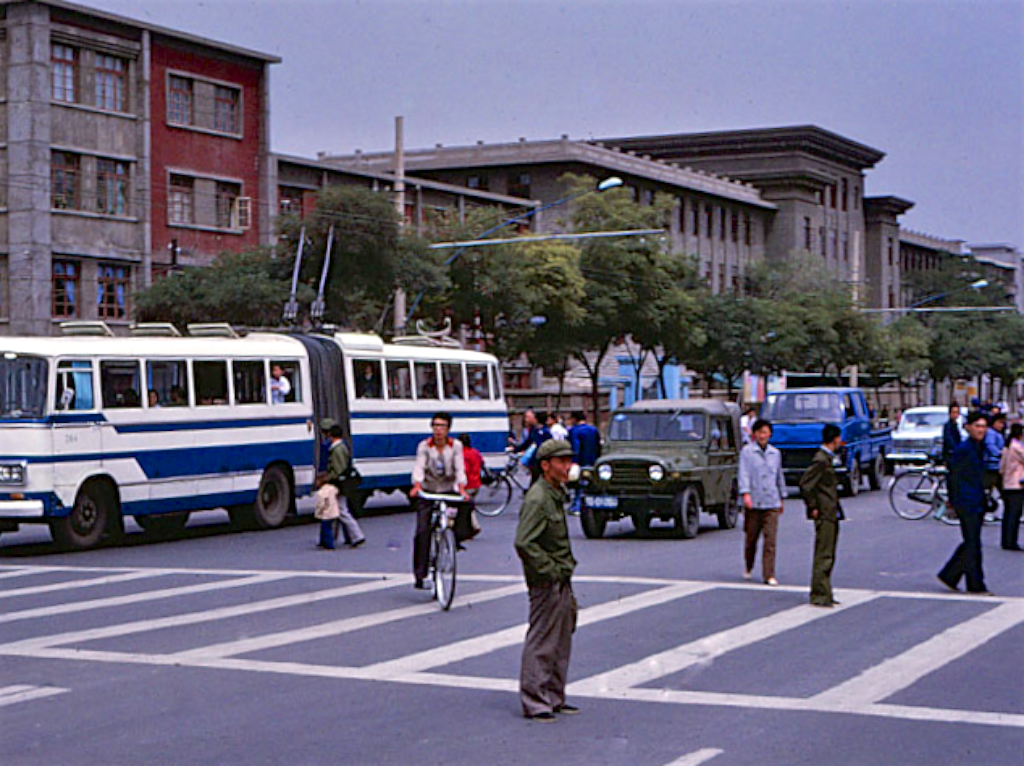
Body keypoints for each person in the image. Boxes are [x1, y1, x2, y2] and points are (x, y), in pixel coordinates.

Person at [514, 439, 579, 722]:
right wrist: (549, 570)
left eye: (568, 461)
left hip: (560, 576)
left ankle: (554, 696)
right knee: (542, 640)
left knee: (561, 638)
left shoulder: (554, 493)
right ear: (545, 465)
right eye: (561, 462)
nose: (567, 467)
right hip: (547, 580)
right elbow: (524, 542)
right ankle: (536, 700)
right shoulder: (538, 498)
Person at [410, 412, 468, 589]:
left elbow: (459, 468)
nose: (438, 430)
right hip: (429, 490)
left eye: (442, 426)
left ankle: (455, 538)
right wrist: (417, 485)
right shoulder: (425, 446)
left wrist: (461, 487)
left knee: (466, 507)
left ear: (448, 429)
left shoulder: (456, 446)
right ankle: (421, 575)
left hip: (449, 489)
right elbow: (419, 465)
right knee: (422, 531)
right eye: (435, 425)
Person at [938, 411, 992, 594]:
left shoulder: (979, 447)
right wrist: (953, 500)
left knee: (971, 542)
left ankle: (950, 574)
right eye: (977, 426)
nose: (981, 430)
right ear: (968, 427)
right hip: (966, 501)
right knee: (973, 544)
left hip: (976, 500)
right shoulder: (964, 449)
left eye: (984, 427)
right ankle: (975, 584)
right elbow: (953, 476)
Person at [799, 424, 845, 608]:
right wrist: (813, 506)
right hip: (824, 512)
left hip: (831, 511)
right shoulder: (821, 460)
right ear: (834, 439)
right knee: (823, 554)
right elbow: (806, 484)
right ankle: (819, 593)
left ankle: (825, 590)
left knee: (829, 553)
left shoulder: (828, 458)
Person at [738, 419, 786, 586]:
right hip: (754, 500)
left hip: (771, 500)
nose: (762, 436)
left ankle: (769, 574)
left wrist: (782, 497)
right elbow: (743, 473)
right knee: (751, 538)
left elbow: (779, 476)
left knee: (770, 540)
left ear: (770, 434)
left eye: (765, 432)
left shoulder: (775, 453)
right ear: (754, 434)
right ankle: (748, 565)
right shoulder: (747, 452)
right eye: (759, 432)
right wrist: (745, 494)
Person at [323, 424, 366, 548]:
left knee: (342, 510)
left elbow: (338, 469)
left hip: (339, 484)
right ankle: (351, 536)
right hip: (343, 483)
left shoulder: (337, 449)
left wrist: (327, 478)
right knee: (341, 509)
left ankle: (357, 536)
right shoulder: (342, 447)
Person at [998, 422, 1024, 551]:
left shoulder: (1006, 447)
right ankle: (1011, 541)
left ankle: (1006, 540)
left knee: (1008, 513)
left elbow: (1001, 468)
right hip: (1017, 484)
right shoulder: (1017, 447)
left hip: (1007, 482)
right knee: (1015, 513)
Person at [512, 409, 553, 483]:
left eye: (527, 417)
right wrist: (516, 449)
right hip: (535, 462)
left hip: (540, 461)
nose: (526, 420)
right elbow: (528, 443)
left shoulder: (543, 432)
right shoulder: (535, 430)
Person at [459, 433, 484, 540]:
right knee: (469, 505)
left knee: (465, 507)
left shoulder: (462, 454)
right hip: (476, 483)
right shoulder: (475, 452)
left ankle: (473, 526)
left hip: (467, 484)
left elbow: (464, 469)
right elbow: (482, 463)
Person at [983, 412, 1006, 496]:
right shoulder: (991, 433)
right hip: (992, 465)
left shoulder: (998, 433)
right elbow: (990, 446)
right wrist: (1000, 454)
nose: (1001, 425)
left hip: (997, 465)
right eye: (999, 423)